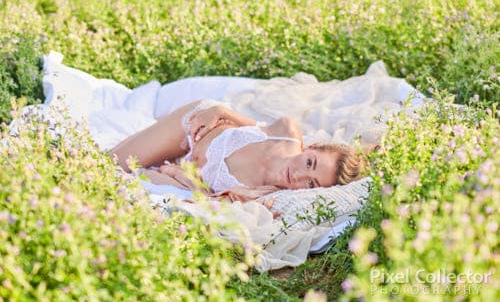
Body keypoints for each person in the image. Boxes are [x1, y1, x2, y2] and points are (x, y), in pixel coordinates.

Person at [111, 100, 366, 201]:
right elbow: (253, 124)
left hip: (181, 164)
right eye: (310, 163)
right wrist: (219, 112)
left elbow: (209, 198)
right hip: (192, 130)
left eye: (311, 184)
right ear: (310, 147)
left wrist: (177, 175)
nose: (299, 176)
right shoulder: (287, 132)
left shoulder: (262, 195)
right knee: (108, 162)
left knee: (111, 179)